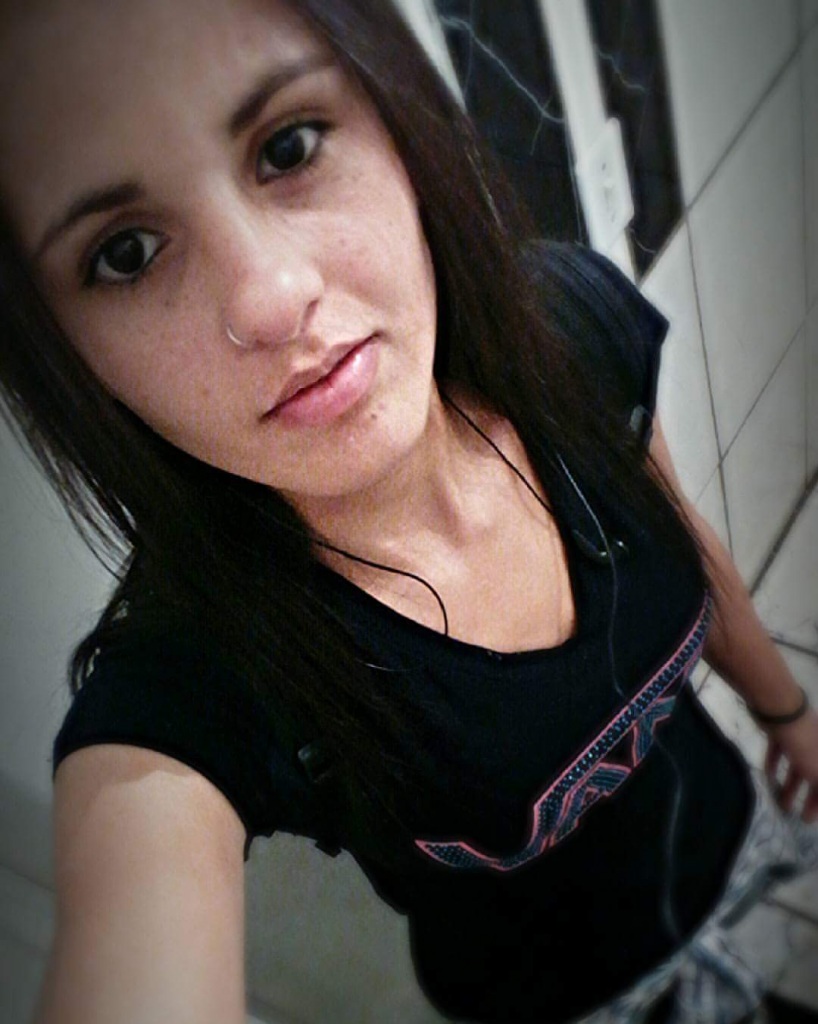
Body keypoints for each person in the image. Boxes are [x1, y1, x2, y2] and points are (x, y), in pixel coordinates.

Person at [0, 0, 816, 1021]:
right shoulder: (198, 673)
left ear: (398, 123)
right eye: (124, 252)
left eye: (289, 147)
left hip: (724, 844)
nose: (271, 298)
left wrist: (786, 711)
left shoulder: (567, 328)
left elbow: (677, 529)